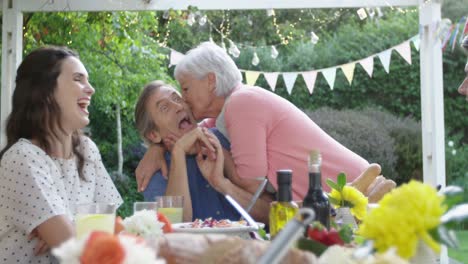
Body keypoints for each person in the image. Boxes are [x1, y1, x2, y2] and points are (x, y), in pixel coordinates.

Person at [170, 42, 371, 200]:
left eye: (186, 88)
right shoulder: (228, 111)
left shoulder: (242, 103)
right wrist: (153, 149)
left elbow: (252, 184)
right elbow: (191, 134)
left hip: (357, 190)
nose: (183, 97)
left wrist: (218, 150)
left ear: (210, 81)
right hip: (340, 195)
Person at [0, 46, 122, 263]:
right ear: (45, 92)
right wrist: (75, 230)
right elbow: (77, 249)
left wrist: (67, 226)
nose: (91, 89)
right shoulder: (22, 157)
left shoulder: (87, 150)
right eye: (78, 79)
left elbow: (114, 228)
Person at [134, 81, 271, 223]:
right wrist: (179, 153)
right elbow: (172, 230)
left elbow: (270, 214)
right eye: (164, 108)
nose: (179, 106)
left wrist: (221, 183)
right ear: (154, 135)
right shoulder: (155, 175)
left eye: (177, 98)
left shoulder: (228, 138)